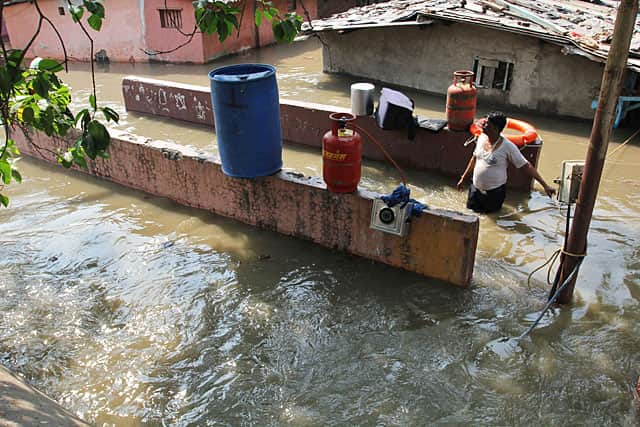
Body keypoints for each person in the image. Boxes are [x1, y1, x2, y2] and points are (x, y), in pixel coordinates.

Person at [456, 111, 556, 213]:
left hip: (494, 194)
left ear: (495, 128)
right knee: (469, 214)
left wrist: (545, 185)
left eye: (487, 124)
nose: (483, 126)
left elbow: (526, 166)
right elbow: (474, 159)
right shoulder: (481, 138)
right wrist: (463, 178)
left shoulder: (507, 146)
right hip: (475, 190)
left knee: (491, 221)